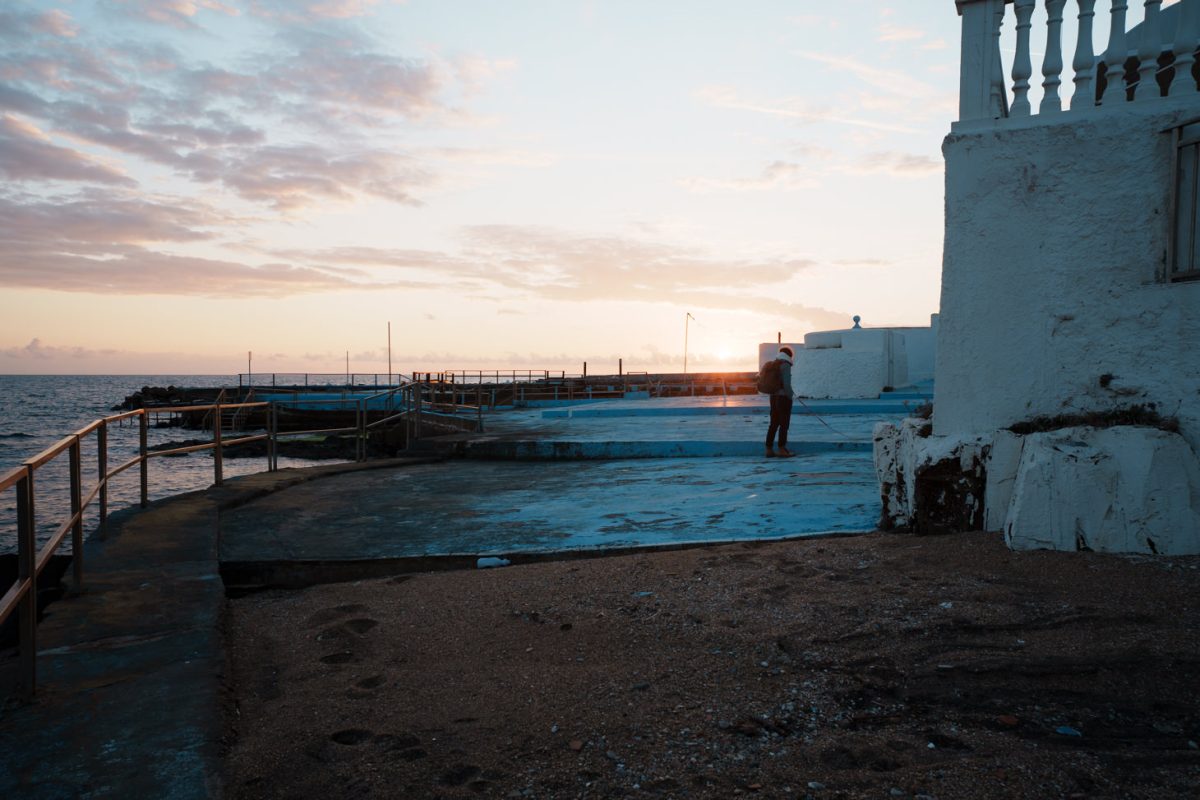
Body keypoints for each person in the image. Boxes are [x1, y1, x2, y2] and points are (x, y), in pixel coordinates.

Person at [766, 346, 796, 457]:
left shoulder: (773, 364)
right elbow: (787, 385)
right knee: (784, 424)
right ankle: (782, 449)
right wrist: (790, 395)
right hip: (783, 398)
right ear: (789, 355)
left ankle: (768, 449)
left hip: (772, 397)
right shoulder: (786, 365)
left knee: (773, 424)